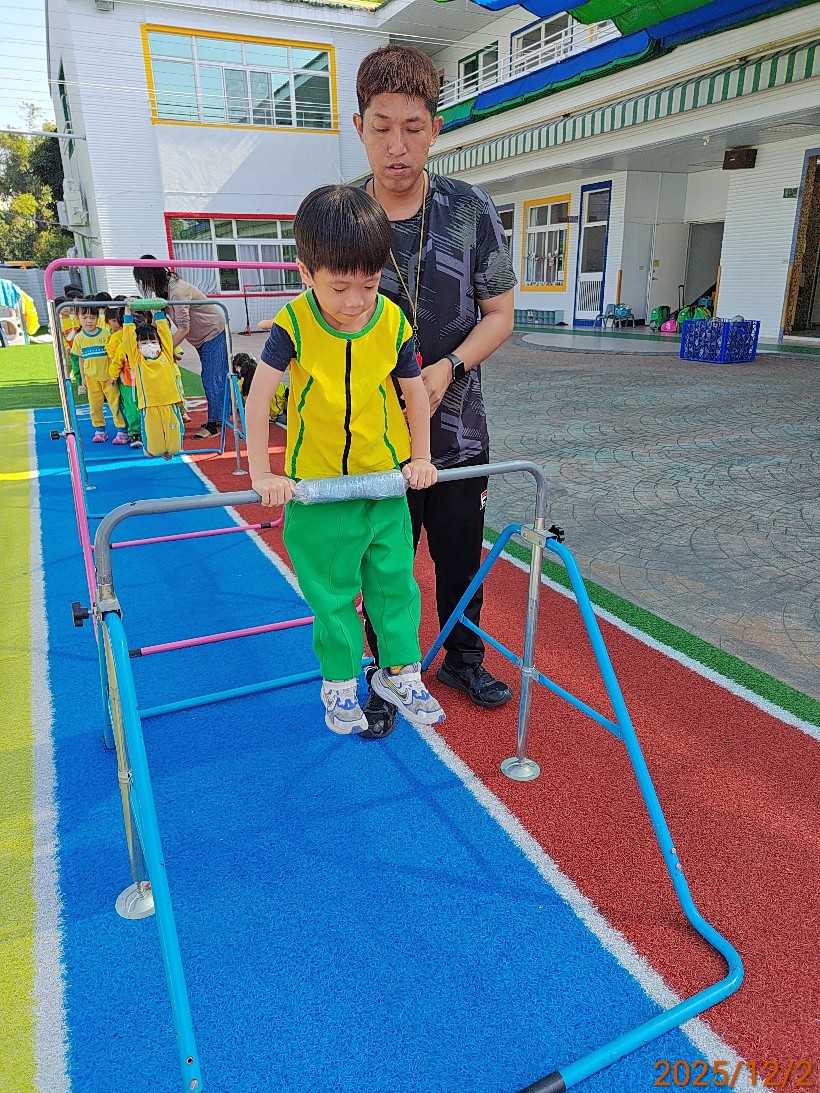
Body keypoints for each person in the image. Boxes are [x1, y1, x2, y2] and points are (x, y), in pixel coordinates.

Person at [353, 43, 517, 737]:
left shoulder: (468, 208)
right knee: (382, 569)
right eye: (382, 127)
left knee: (460, 558)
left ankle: (462, 658)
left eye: (413, 128)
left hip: (458, 433)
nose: (397, 146)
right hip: (373, 439)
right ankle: (385, 673)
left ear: (436, 129)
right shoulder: (342, 217)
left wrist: (449, 367)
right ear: (358, 126)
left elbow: (500, 313)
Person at [245, 185, 445, 736]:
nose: (356, 301)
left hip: (382, 481)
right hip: (320, 488)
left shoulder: (392, 321)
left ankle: (400, 672)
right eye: (339, 287)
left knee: (396, 582)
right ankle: (338, 684)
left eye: (369, 284)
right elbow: (259, 399)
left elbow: (413, 393)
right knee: (332, 594)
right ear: (306, 273)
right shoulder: (294, 323)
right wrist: (264, 473)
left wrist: (421, 458)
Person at [133, 257, 227, 439]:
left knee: (212, 377)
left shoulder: (177, 291)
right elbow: (158, 320)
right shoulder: (162, 291)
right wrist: (151, 341)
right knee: (212, 375)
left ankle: (213, 425)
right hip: (200, 337)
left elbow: (184, 328)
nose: (145, 285)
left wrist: (163, 352)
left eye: (145, 280)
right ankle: (218, 417)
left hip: (212, 332)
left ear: (153, 276)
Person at [121, 302, 186, 458]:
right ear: (138, 346)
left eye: (153, 342)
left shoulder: (166, 355)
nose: (149, 346)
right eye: (143, 343)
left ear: (159, 344)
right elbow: (128, 340)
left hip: (170, 402)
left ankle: (170, 450)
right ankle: (152, 449)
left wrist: (158, 312)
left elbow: (165, 335)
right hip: (149, 405)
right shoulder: (137, 360)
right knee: (154, 445)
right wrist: (127, 313)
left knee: (174, 445)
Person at [73, 294, 128, 444]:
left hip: (108, 377)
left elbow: (112, 356)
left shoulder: (106, 334)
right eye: (84, 317)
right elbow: (81, 358)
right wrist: (82, 378)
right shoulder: (79, 338)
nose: (88, 321)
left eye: (92, 317)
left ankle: (122, 430)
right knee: (95, 405)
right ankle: (100, 430)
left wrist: (115, 375)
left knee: (115, 403)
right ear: (78, 318)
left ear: (98, 318)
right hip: (91, 378)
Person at [105, 300, 142, 447]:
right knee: (132, 407)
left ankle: (149, 430)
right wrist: (114, 377)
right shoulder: (122, 344)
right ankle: (135, 432)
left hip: (146, 382)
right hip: (129, 383)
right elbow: (115, 362)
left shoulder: (146, 340)